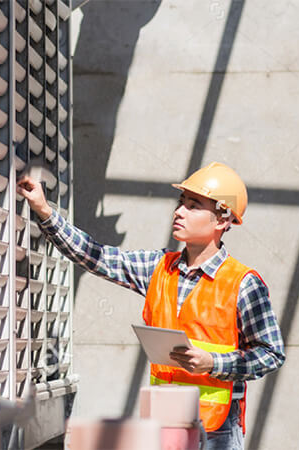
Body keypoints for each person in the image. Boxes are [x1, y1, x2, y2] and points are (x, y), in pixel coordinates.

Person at [17, 162, 285, 449]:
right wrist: (44, 211)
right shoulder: (158, 268)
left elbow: (271, 354)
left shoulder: (243, 283)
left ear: (222, 220)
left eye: (193, 206)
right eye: (181, 203)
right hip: (165, 425)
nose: (179, 211)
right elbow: (96, 257)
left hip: (216, 430)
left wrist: (213, 363)